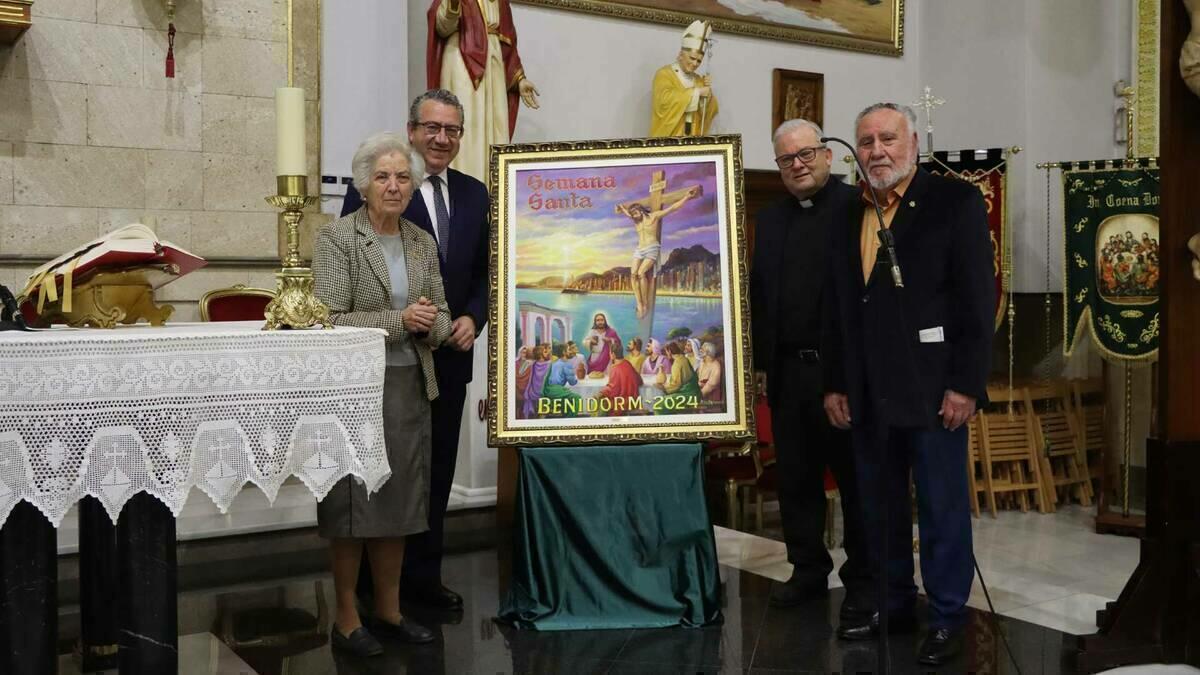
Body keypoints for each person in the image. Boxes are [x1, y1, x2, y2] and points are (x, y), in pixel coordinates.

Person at [822, 103, 993, 666]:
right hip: (868, 393)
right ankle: (893, 605)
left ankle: (947, 618)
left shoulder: (955, 202)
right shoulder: (848, 210)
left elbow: (975, 299)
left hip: (933, 391)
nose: (876, 151)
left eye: (888, 138)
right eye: (866, 140)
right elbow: (839, 309)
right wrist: (836, 383)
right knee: (878, 507)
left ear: (913, 142)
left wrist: (965, 385)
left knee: (942, 509)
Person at [341, 89, 489, 611]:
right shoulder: (378, 186)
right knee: (381, 474)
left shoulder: (476, 195)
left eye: (452, 130)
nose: (441, 138)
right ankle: (372, 591)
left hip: (451, 355)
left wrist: (474, 315)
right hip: (387, 363)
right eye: (432, 127)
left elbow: (484, 274)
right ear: (412, 130)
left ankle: (424, 581)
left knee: (437, 472)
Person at [313, 132, 452, 655]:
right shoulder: (337, 239)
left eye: (402, 177)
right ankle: (347, 617)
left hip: (410, 386)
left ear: (413, 186)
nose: (393, 186)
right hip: (354, 389)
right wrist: (399, 320)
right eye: (383, 177)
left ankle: (390, 610)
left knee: (397, 502)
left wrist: (429, 325)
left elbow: (437, 313)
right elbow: (326, 317)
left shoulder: (421, 241)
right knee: (351, 504)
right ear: (364, 185)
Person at [749, 118, 871, 620]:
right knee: (796, 479)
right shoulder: (773, 219)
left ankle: (863, 577)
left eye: (806, 155)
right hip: (786, 373)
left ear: (827, 155)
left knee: (854, 480)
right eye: (786, 160)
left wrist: (843, 378)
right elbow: (759, 293)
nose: (797, 165)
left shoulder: (856, 209)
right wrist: (759, 363)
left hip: (840, 373)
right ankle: (807, 568)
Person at [426, 0, 540, 181]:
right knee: (467, 127)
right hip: (462, 59)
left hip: (494, 66)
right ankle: (462, 191)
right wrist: (453, 5)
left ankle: (494, 193)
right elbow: (442, 26)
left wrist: (519, 79)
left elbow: (508, 42)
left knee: (495, 129)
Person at [617, 187, 700, 318]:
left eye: (635, 213)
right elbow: (628, 213)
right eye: (632, 214)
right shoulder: (635, 221)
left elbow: (672, 208)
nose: (633, 216)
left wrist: (687, 197)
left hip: (652, 248)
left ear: (640, 210)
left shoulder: (654, 217)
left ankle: (645, 303)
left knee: (641, 273)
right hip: (640, 249)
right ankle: (640, 303)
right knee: (633, 275)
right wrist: (622, 209)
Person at [650, 20, 718, 137]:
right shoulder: (664, 74)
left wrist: (708, 96)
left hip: (693, 137)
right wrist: (698, 92)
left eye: (699, 61)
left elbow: (711, 111)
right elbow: (664, 102)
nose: (695, 63)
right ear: (681, 54)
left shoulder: (698, 80)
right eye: (692, 58)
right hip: (669, 138)